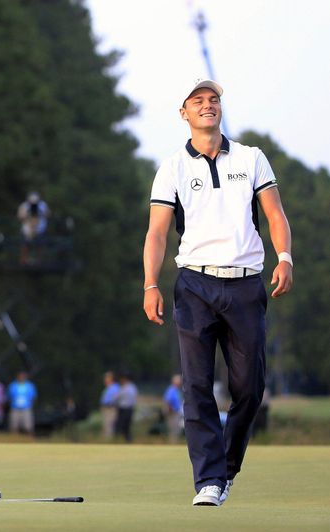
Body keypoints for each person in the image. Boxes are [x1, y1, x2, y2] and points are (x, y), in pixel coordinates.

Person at [143, 78, 293, 506]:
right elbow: (156, 234)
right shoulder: (172, 167)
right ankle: (208, 479)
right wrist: (150, 283)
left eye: (213, 100)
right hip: (194, 284)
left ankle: (226, 468)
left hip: (245, 283)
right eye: (198, 101)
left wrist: (285, 257)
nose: (208, 106)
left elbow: (275, 213)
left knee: (249, 387)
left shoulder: (251, 158)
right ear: (183, 113)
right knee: (196, 385)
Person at [7, 371, 37, 435]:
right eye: (20, 376)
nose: (21, 378)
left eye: (23, 376)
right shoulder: (13, 385)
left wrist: (30, 405)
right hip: (15, 407)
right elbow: (9, 396)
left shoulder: (30, 386)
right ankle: (14, 439)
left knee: (28, 426)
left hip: (26, 408)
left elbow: (33, 397)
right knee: (14, 425)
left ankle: (30, 439)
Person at [115, 373, 137, 443]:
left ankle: (126, 440)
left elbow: (117, 397)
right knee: (123, 426)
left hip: (126, 408)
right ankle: (124, 439)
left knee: (124, 425)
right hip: (126, 408)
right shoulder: (131, 387)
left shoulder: (126, 388)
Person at [164, 374, 184, 443]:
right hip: (172, 413)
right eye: (178, 381)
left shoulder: (177, 390)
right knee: (173, 430)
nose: (180, 382)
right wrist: (170, 410)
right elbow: (168, 401)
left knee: (176, 430)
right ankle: (172, 443)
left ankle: (175, 443)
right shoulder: (171, 390)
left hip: (177, 412)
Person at [100, 371, 120, 440]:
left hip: (110, 409)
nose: (105, 379)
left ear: (111, 378)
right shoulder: (108, 388)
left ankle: (109, 441)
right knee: (106, 426)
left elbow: (116, 399)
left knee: (109, 426)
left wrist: (110, 404)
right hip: (106, 409)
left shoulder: (115, 387)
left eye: (106, 377)